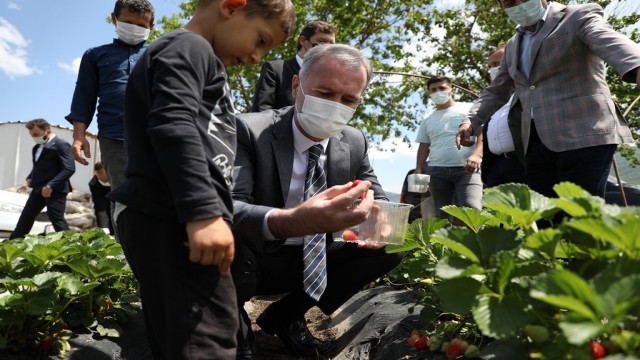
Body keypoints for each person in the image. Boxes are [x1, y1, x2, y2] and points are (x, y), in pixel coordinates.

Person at [106, 0, 296, 358]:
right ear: (231, 6)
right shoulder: (188, 47)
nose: (257, 57)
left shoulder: (198, 58)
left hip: (175, 217)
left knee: (189, 339)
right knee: (207, 342)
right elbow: (174, 125)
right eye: (260, 40)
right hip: (172, 216)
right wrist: (205, 213)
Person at [232, 44, 404, 359]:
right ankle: (233, 322)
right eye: (324, 93)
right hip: (251, 257)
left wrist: (376, 219)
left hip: (315, 257)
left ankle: (284, 316)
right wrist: (293, 220)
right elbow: (229, 208)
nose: (335, 106)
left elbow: (377, 198)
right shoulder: (247, 130)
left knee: (393, 246)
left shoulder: (354, 141)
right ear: (296, 86)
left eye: (348, 99)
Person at [457, 0, 640, 199]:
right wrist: (471, 120)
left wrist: (636, 65)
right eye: (509, 2)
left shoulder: (576, 16)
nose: (518, 4)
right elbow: (496, 91)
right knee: (543, 217)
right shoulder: (512, 46)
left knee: (580, 215)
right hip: (534, 142)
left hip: (584, 132)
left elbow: (610, 41)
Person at [66, 0, 155, 191]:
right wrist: (79, 135)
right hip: (114, 138)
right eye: (128, 23)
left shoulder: (161, 53)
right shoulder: (95, 56)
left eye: (141, 25)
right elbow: (84, 97)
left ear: (151, 26)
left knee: (160, 195)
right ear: (115, 19)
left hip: (156, 136)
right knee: (124, 195)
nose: (134, 29)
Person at [415, 75, 483, 220]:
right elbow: (424, 145)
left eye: (442, 88)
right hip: (437, 171)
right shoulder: (427, 118)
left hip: (467, 169)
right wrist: (419, 170)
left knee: (473, 210)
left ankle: (482, 242)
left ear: (451, 90)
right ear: (429, 93)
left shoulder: (468, 108)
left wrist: (477, 155)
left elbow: (481, 134)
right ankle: (444, 243)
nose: (438, 91)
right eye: (433, 89)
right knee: (442, 217)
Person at [465, 46, 525, 187]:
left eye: (498, 63)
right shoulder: (490, 101)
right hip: (495, 167)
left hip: (523, 164)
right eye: (490, 65)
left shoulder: (528, 90)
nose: (494, 68)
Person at [10, 119, 75, 239]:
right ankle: (10, 248)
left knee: (57, 220)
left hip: (55, 189)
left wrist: (51, 185)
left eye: (35, 134)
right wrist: (30, 177)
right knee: (26, 217)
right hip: (38, 189)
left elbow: (69, 168)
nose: (33, 137)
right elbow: (38, 166)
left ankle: (74, 249)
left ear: (47, 131)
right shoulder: (36, 148)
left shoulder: (61, 145)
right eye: (31, 135)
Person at [251, 20, 336, 112]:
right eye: (322, 42)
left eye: (331, 45)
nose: (326, 48)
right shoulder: (275, 69)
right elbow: (262, 111)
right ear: (303, 41)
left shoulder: (331, 80)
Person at [88, 161, 113, 234]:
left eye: (106, 180)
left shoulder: (117, 180)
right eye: (101, 180)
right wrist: (104, 228)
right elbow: (100, 207)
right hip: (103, 199)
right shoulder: (93, 184)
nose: (104, 182)